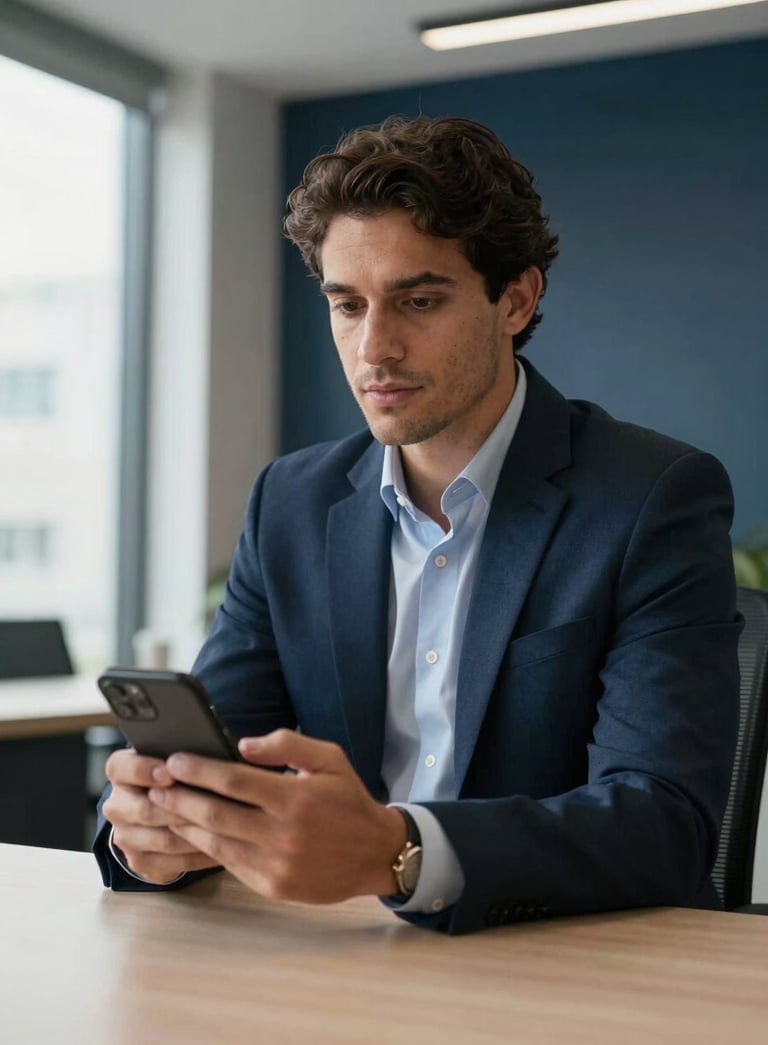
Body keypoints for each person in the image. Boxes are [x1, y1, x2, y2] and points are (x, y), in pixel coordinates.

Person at [95, 115, 741, 934]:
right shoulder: (290, 503)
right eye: (347, 304)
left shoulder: (653, 495)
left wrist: (399, 851)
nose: (375, 349)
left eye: (419, 300)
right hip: (341, 961)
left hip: (567, 965)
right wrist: (151, 835)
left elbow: (664, 824)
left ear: (516, 297)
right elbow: (216, 763)